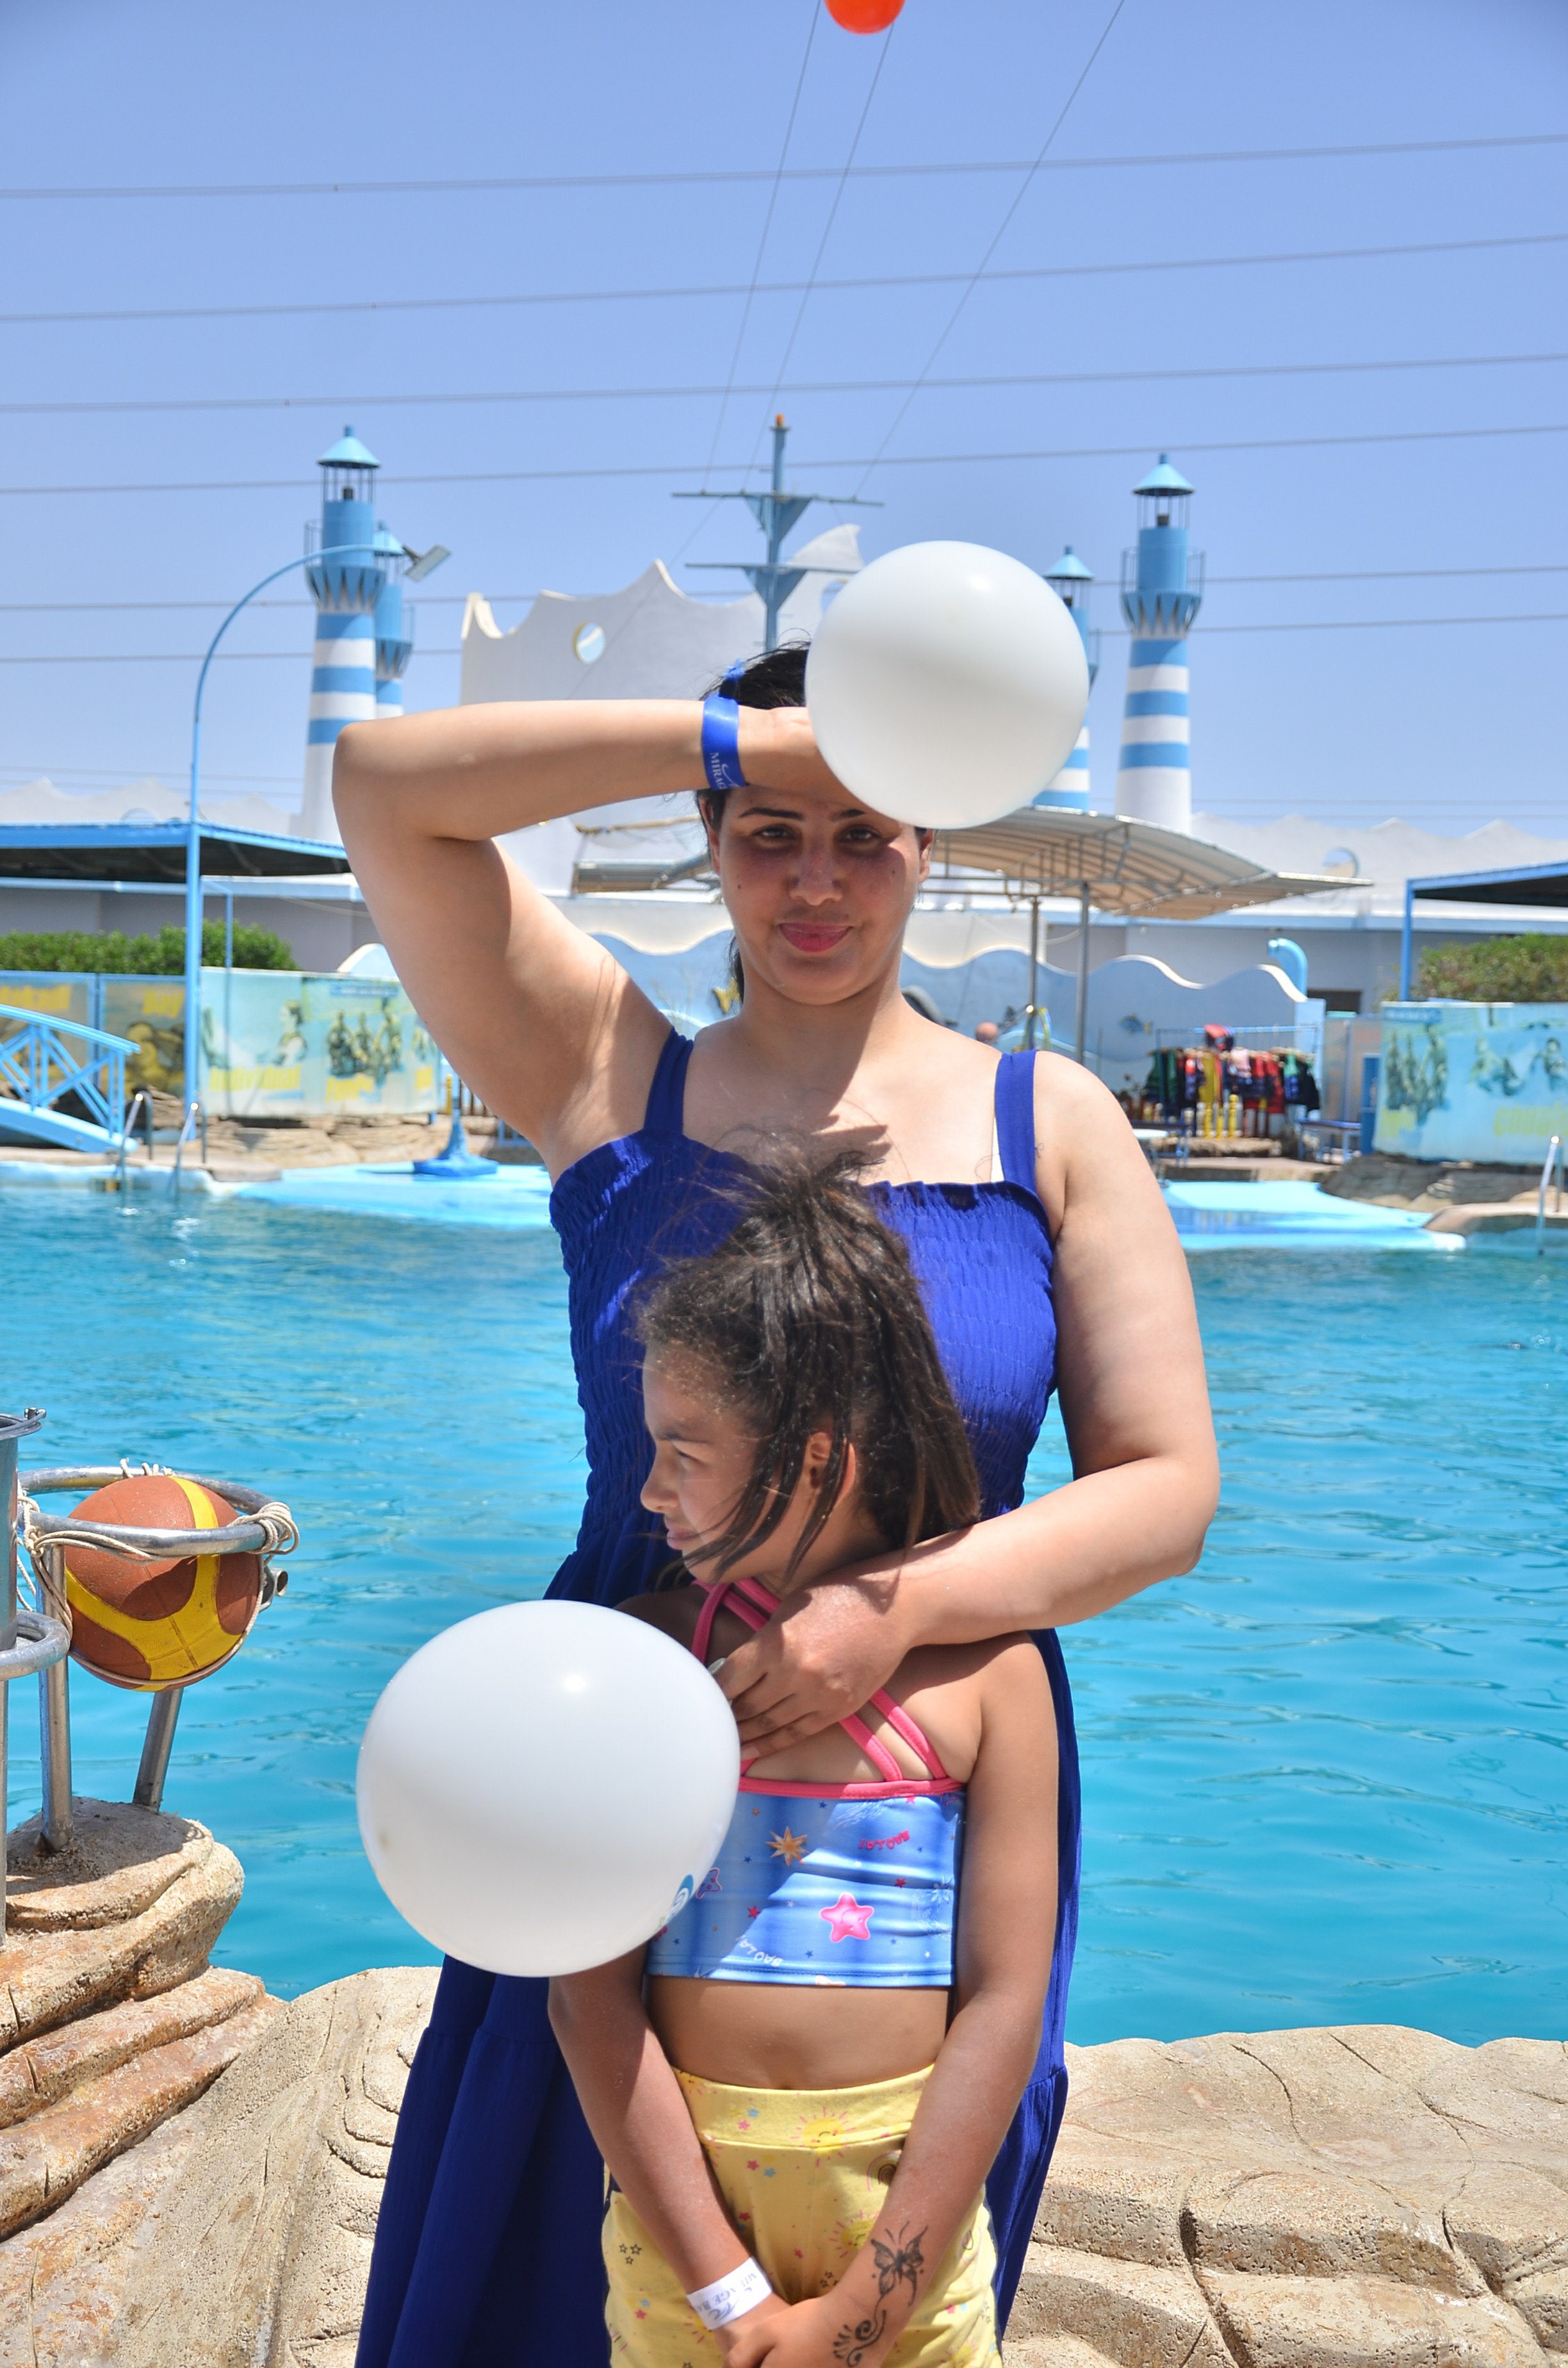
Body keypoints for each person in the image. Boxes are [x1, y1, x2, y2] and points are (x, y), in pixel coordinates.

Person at [338, 643, 1218, 2368]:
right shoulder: (609, 1073)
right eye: (767, 831)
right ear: (712, 834)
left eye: (867, 831)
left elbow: (1167, 1490)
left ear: (930, 840)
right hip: (607, 1756)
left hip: (937, 1779)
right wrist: (754, 735)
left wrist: (897, 1611)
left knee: (886, 2283)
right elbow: (385, 789)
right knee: (546, 2264)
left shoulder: (1051, 1122)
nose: (816, 882)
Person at [553, 1158, 1058, 2368]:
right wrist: (730, 2295)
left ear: (819, 1460)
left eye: (683, 1451)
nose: (648, 1490)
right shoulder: (647, 1660)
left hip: (909, 2247)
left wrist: (867, 2311)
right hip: (684, 2247)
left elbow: (1005, 2004)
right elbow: (589, 1998)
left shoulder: (992, 1678)